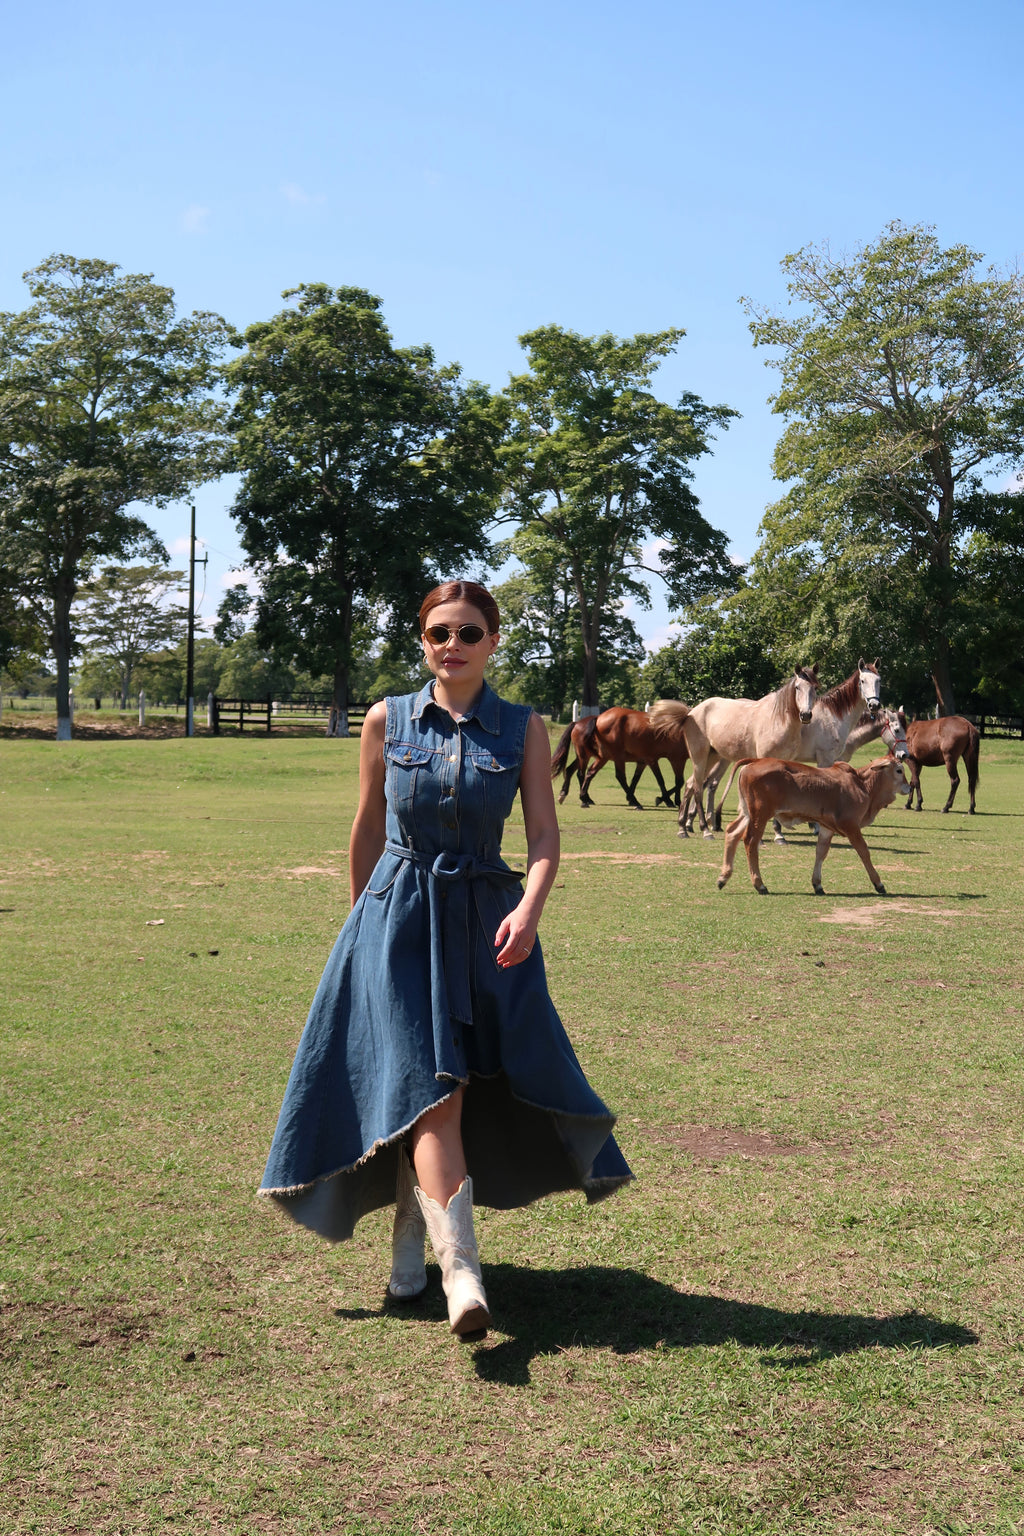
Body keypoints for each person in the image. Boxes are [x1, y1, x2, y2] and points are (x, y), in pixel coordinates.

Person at [259, 579, 632, 1339]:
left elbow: (544, 838)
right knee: (430, 1088)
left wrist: (529, 910)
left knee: (455, 1080)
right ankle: (461, 1271)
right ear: (422, 642)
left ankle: (410, 1245)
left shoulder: (523, 728)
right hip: (395, 922)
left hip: (490, 928)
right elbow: (367, 829)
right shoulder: (384, 720)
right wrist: (362, 925)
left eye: (468, 632)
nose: (452, 645)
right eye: (439, 633)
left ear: (493, 641)